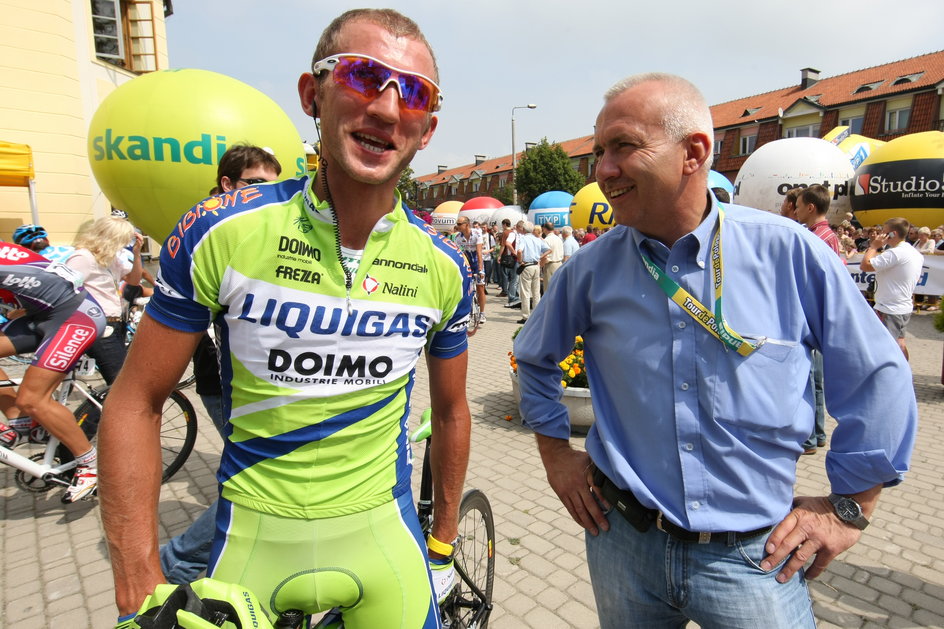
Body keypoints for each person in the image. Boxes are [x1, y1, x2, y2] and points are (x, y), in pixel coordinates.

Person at [100, 9, 473, 628]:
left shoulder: (444, 264)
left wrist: (442, 541)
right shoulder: (223, 228)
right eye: (361, 76)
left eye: (413, 92)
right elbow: (135, 400)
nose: (385, 107)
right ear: (312, 94)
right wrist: (138, 573)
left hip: (388, 543)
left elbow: (454, 411)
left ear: (427, 127)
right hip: (253, 547)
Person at [514, 73, 916, 629]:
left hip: (756, 559)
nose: (603, 169)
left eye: (623, 147)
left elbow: (878, 377)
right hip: (623, 545)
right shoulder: (589, 268)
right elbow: (533, 359)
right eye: (600, 151)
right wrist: (557, 458)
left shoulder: (789, 252)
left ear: (693, 153)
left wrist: (852, 508)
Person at [159, 144, 282, 585]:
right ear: (226, 185)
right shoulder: (211, 233)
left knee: (254, 474)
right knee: (254, 478)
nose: (266, 195)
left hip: (263, 381)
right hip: (225, 379)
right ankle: (179, 558)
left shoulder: (262, 230)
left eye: (273, 186)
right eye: (255, 185)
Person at [0, 241, 105, 502]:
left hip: (76, 317)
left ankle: (90, 465)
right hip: (41, 313)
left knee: (32, 399)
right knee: (26, 405)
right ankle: (20, 422)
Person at [793, 184, 842, 455]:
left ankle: (811, 439)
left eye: (799, 206)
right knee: (817, 380)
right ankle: (819, 434)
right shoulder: (826, 235)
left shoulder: (817, 239)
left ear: (811, 207)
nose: (797, 211)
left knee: (809, 379)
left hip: (813, 316)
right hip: (820, 316)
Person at [64, 217, 143, 385]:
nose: (124, 245)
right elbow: (62, 288)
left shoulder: (110, 258)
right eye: (122, 240)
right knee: (121, 384)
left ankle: (102, 410)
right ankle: (99, 412)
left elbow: (134, 280)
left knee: (119, 380)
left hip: (114, 323)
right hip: (99, 324)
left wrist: (137, 254)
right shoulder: (83, 257)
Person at [860, 218, 924, 360]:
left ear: (893, 234)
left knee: (887, 348)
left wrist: (873, 247)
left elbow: (865, 265)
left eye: (884, 231)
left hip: (889, 307)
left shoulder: (896, 253)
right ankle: (904, 374)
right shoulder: (914, 252)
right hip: (903, 306)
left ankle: (892, 377)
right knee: (900, 344)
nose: (881, 234)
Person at [515, 220, 549, 325]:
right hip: (536, 265)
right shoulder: (537, 239)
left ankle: (526, 316)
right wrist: (539, 257)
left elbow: (519, 251)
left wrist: (520, 261)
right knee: (536, 291)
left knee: (525, 292)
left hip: (527, 265)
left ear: (524, 229)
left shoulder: (523, 239)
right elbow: (548, 250)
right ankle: (537, 315)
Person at [454, 216, 487, 324]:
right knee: (465, 289)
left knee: (480, 288)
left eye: (459, 224)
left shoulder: (477, 233)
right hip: (467, 263)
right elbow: (460, 255)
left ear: (466, 224)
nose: (457, 226)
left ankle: (482, 313)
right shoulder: (458, 237)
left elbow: (479, 253)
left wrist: (480, 270)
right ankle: (467, 313)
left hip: (477, 262)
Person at [498, 218, 520, 307]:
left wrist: (499, 256)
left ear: (504, 224)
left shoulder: (506, 233)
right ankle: (514, 295)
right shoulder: (514, 233)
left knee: (506, 276)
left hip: (507, 258)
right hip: (515, 258)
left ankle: (508, 293)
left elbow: (504, 245)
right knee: (514, 278)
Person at [541, 221, 564, 287]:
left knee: (549, 288)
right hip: (559, 264)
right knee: (557, 287)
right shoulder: (559, 239)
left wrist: (541, 265)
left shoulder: (546, 240)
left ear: (545, 229)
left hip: (550, 265)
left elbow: (545, 256)